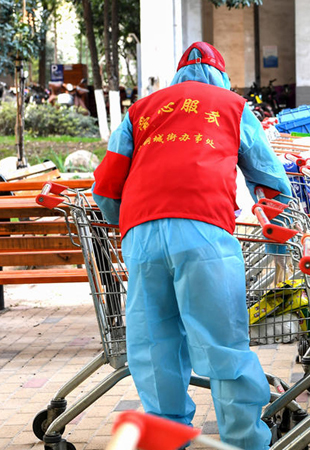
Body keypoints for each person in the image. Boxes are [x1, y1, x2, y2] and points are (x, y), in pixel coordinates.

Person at [92, 42, 292, 450]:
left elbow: (108, 183)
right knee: (222, 344)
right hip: (204, 233)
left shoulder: (142, 109)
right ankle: (245, 442)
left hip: (142, 236)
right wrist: (279, 246)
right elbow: (269, 180)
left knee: (154, 345)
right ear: (221, 76)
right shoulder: (233, 106)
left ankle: (166, 439)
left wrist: (122, 220)